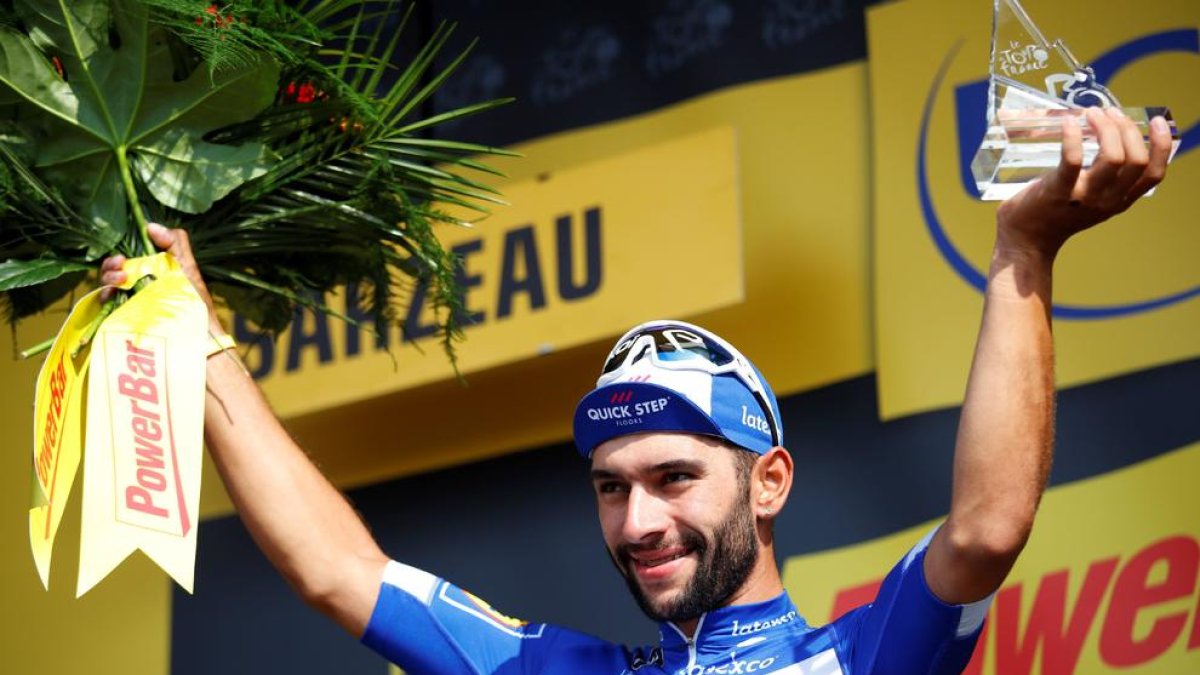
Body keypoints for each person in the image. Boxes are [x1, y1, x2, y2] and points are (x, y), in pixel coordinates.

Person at [101, 107, 1172, 674]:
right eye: (613, 487)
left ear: (770, 482)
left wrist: (1023, 250)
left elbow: (987, 528)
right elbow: (340, 572)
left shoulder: (860, 657)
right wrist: (199, 346)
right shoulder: (553, 673)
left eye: (672, 476)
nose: (638, 519)